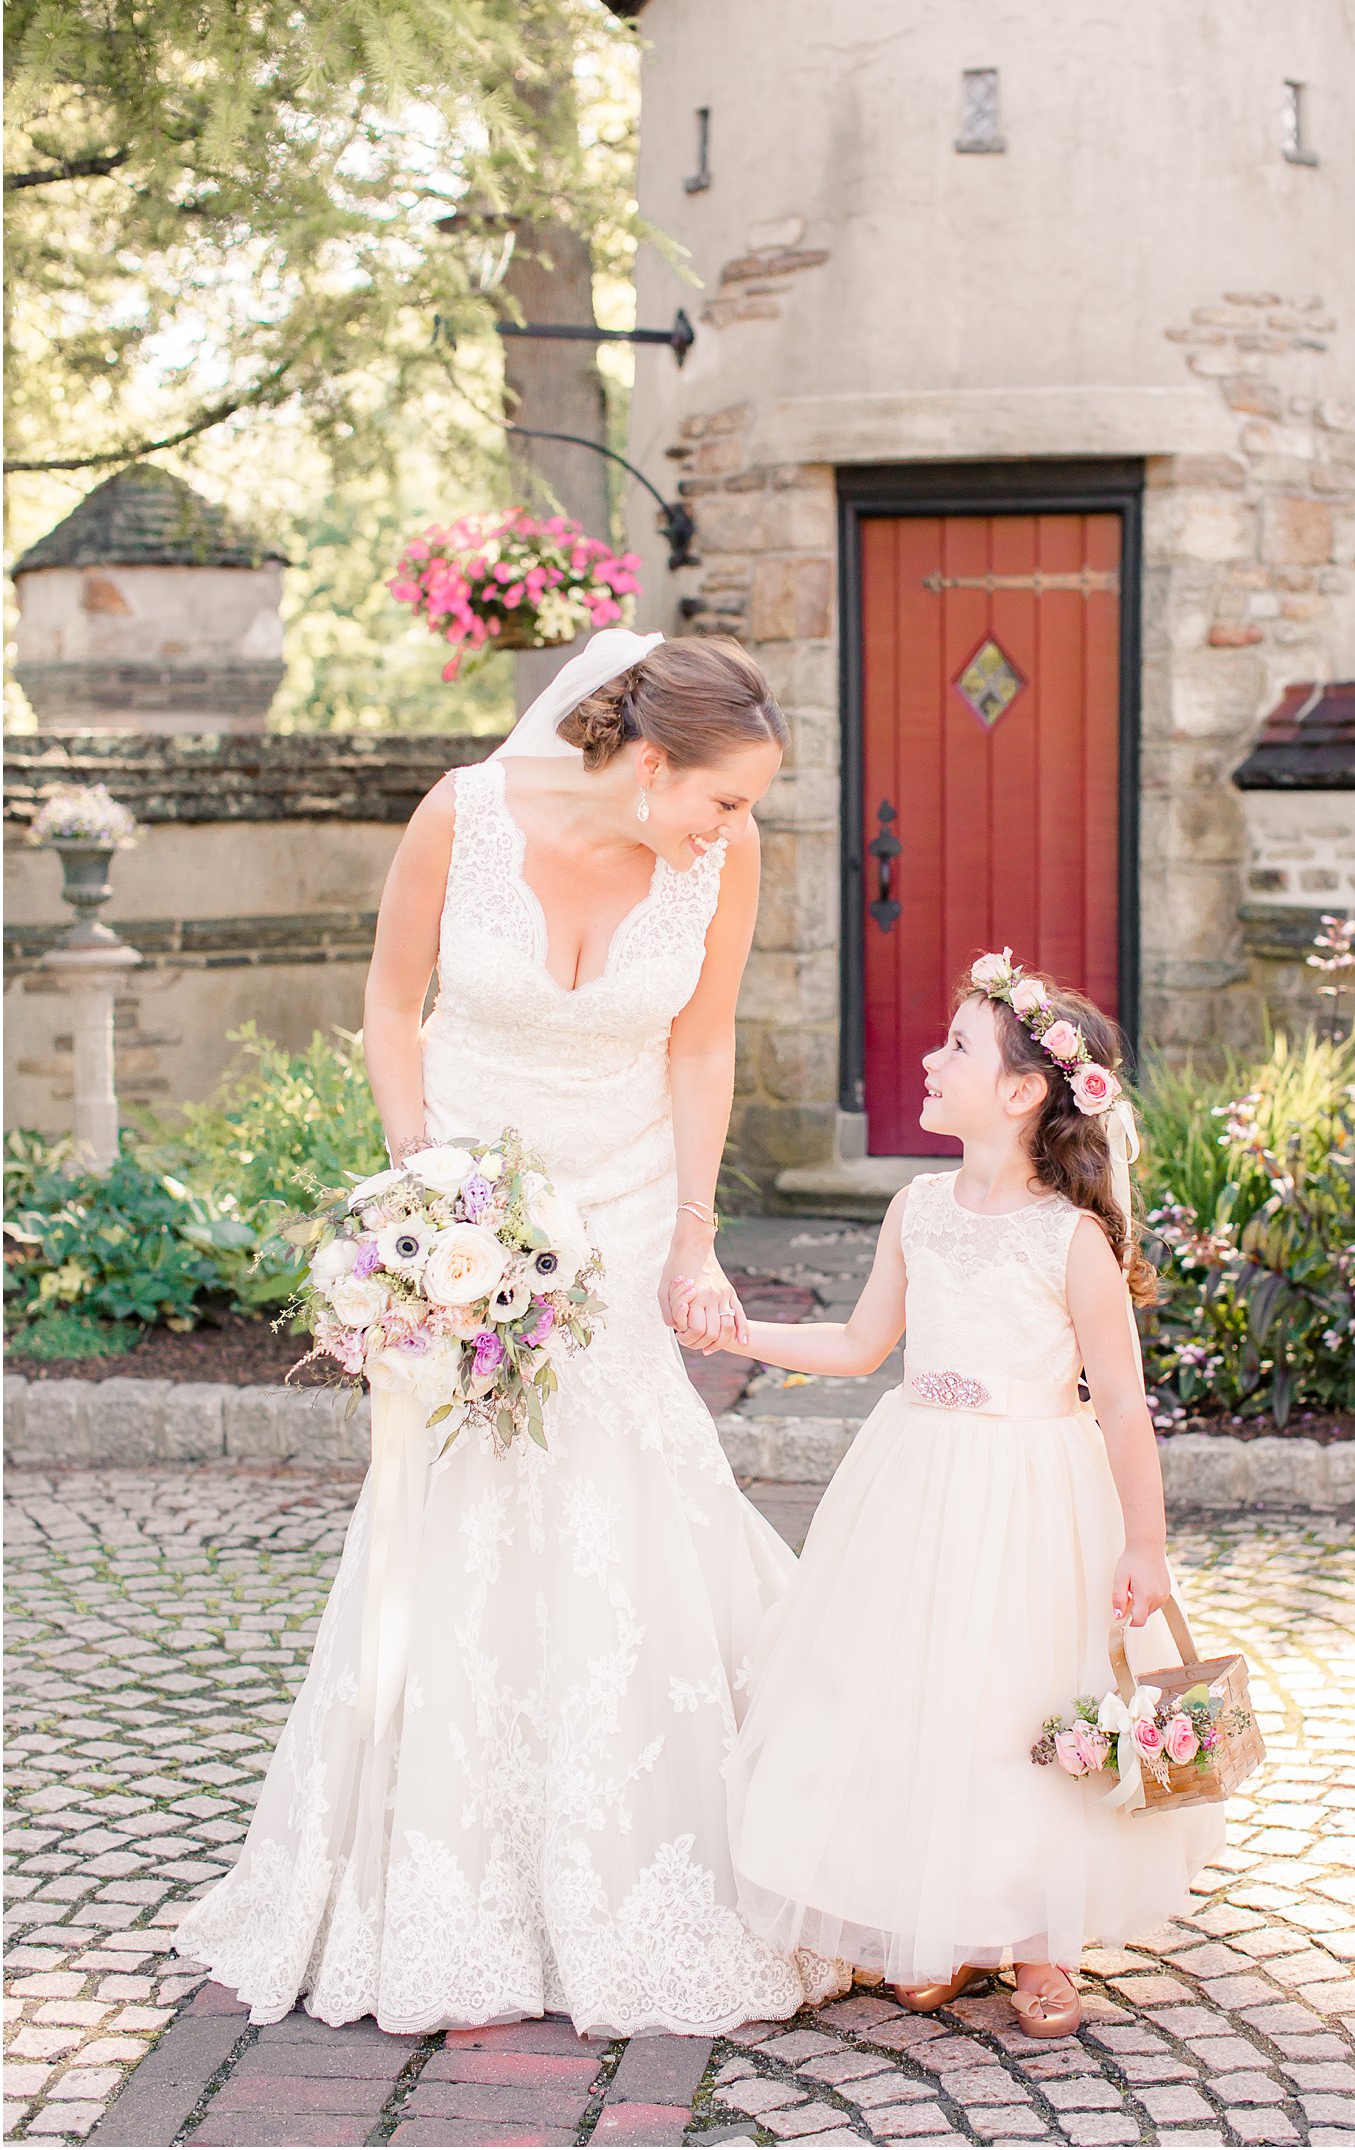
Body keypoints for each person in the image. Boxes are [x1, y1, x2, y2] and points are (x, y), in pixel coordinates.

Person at [174, 628, 847, 2036]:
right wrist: (422, 1188)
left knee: (632, 1510)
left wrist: (692, 1228)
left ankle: (645, 1858)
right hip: (472, 1219)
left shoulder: (718, 864)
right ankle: (448, 1882)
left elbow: (702, 1044)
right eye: (723, 799)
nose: (738, 828)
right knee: (457, 1516)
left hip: (616, 1203)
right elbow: (388, 1002)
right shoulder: (461, 817)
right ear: (651, 763)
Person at [681, 955, 1225, 2037]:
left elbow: (1120, 1404)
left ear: (1024, 1093)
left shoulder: (1069, 1237)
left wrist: (1143, 1545)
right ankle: (942, 1926)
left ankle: (1036, 1942)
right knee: (919, 1696)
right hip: (916, 1478)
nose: (929, 1061)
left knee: (1024, 1700)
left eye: (957, 1049)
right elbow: (855, 1341)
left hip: (1034, 1489)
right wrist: (730, 1330)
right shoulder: (916, 1209)